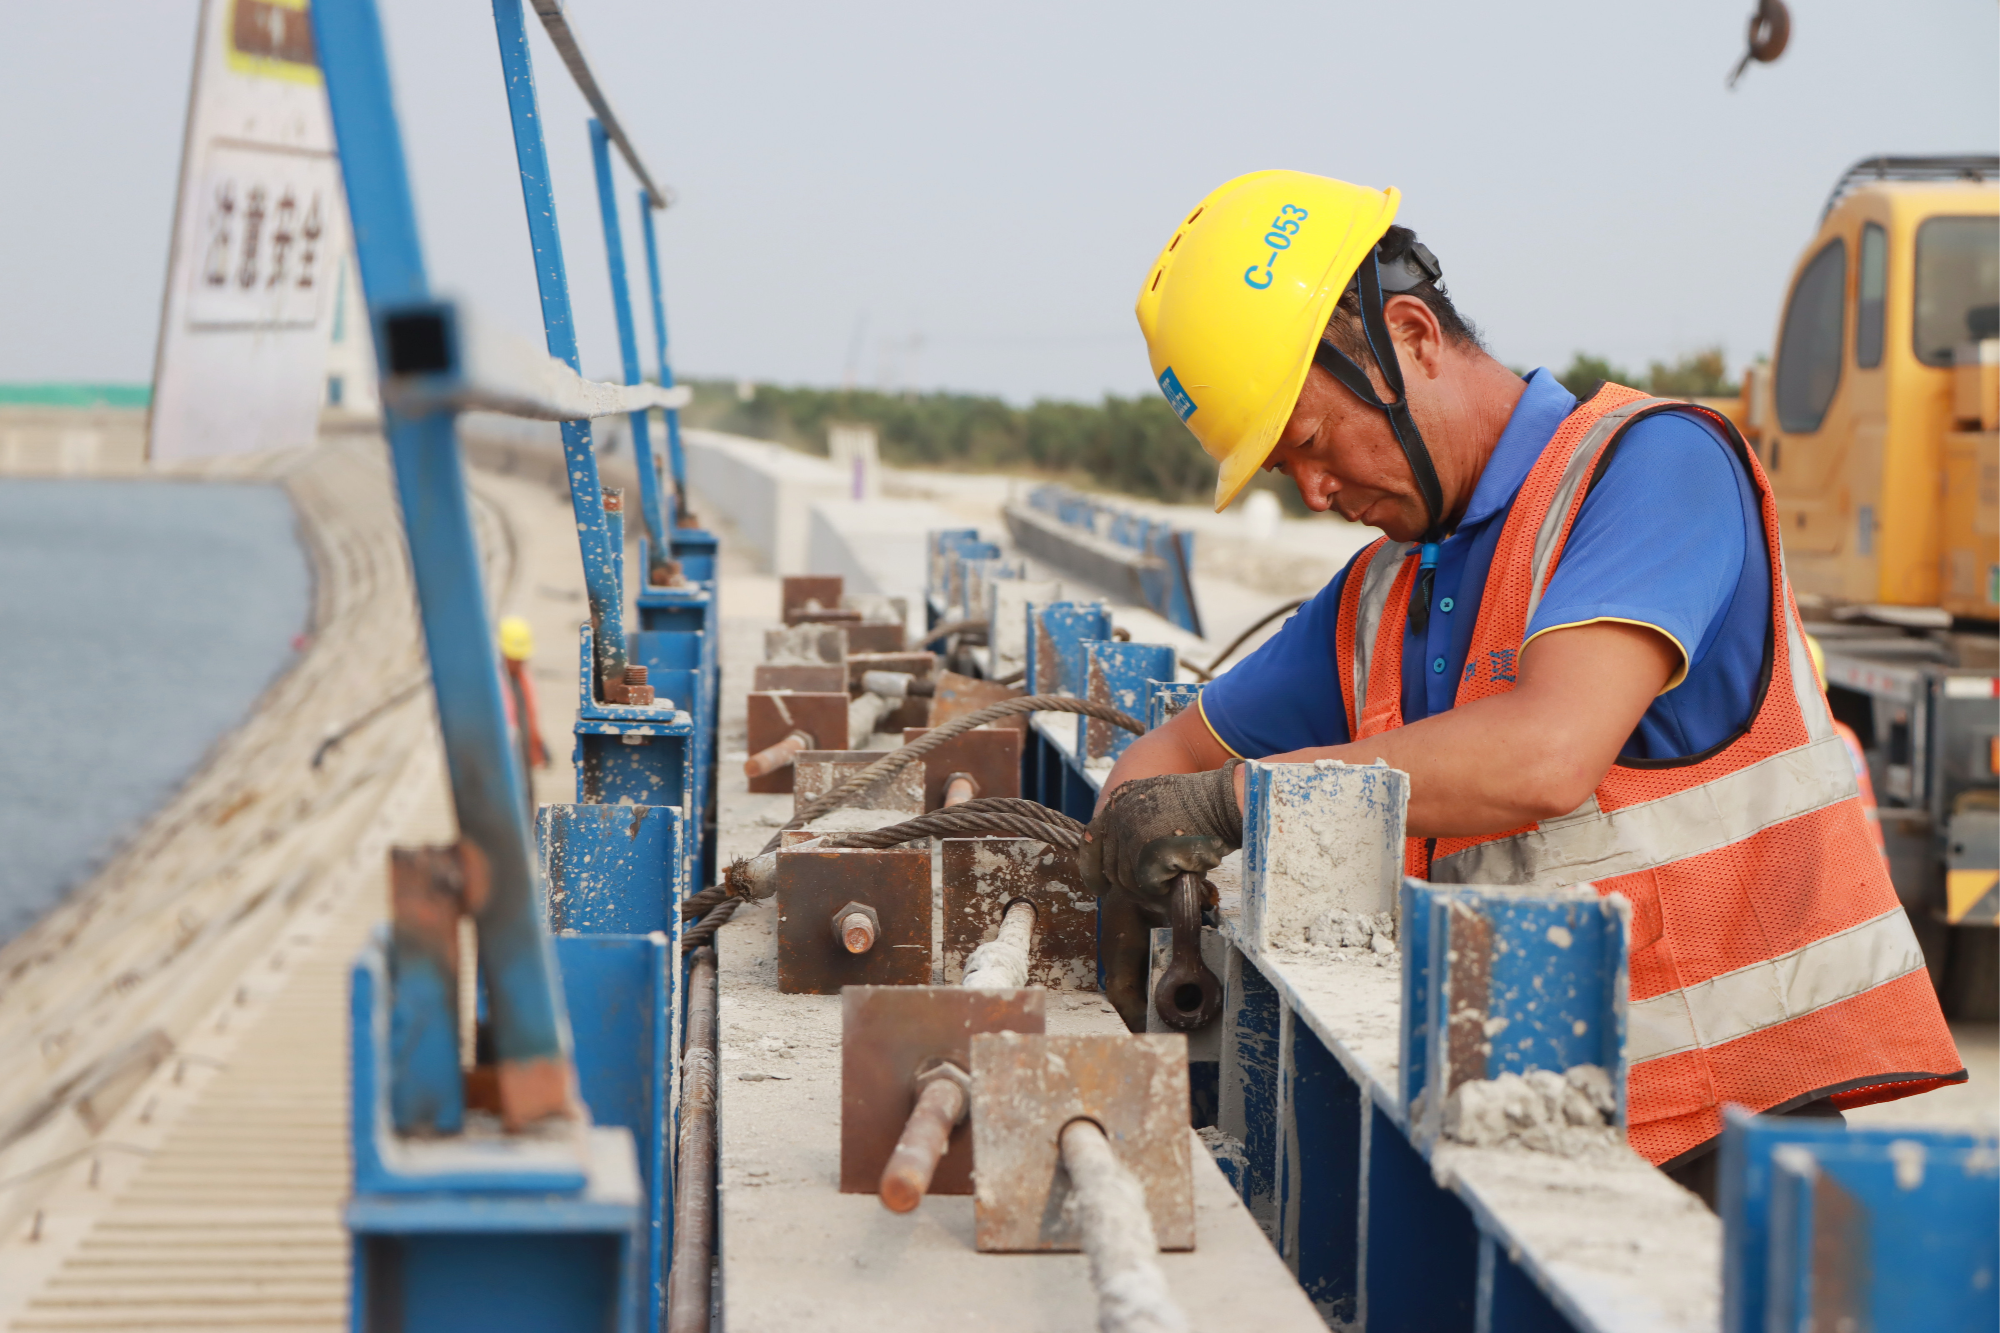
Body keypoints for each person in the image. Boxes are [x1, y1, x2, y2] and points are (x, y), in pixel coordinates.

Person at [1084, 169, 1962, 1200]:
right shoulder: (1377, 595)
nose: (1317, 492)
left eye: (1314, 443)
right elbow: (1167, 761)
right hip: (1519, 1157)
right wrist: (1128, 841)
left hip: (1730, 1154)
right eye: (1285, 474)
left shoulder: (1652, 466)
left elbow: (1546, 753)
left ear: (1410, 335)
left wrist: (1235, 802)